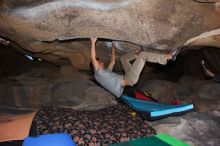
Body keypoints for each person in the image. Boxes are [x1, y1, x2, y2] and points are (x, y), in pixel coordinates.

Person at [90, 38, 180, 98]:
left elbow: (113, 61)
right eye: (99, 62)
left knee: (123, 59)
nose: (101, 62)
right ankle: (169, 57)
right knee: (143, 56)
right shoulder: (98, 74)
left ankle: (136, 54)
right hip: (129, 80)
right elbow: (93, 57)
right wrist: (93, 42)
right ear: (95, 66)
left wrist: (113, 46)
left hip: (127, 75)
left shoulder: (105, 72)